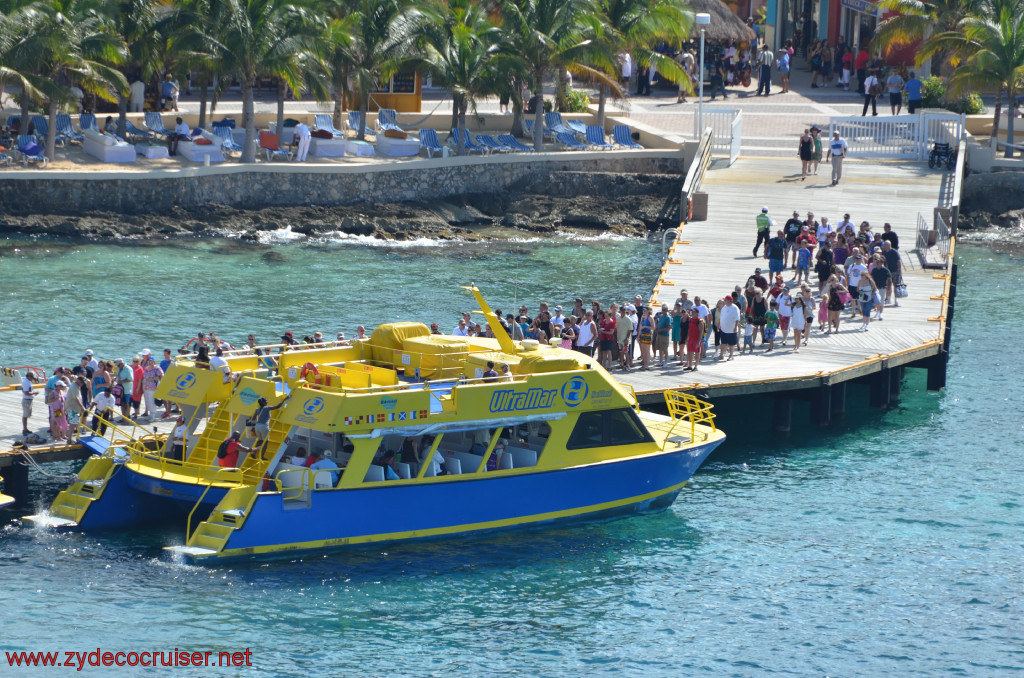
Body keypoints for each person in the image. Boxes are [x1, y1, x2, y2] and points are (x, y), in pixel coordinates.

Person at [717, 295, 741, 360]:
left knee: (731, 344)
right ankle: (721, 355)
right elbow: (721, 317)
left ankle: (731, 355)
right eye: (724, 300)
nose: (724, 301)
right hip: (724, 329)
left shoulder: (735, 308)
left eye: (726, 300)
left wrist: (735, 327)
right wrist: (718, 325)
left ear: (730, 301)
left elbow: (737, 319)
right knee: (723, 343)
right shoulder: (724, 307)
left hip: (731, 329)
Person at [20, 369, 35, 436]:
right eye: (32, 377)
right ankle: (24, 429)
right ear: (29, 376)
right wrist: (34, 393)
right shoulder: (26, 382)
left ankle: (25, 428)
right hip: (26, 400)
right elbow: (26, 393)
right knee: (25, 415)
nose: (33, 379)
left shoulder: (28, 381)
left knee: (27, 415)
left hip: (28, 400)